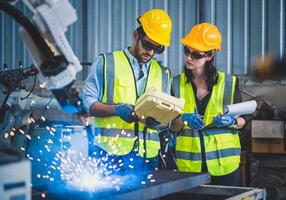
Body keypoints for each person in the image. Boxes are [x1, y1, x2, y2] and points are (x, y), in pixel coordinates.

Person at [82, 9, 172, 174]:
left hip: (148, 157)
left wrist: (160, 123)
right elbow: (86, 103)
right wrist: (116, 110)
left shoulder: (163, 74)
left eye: (157, 49)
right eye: (147, 45)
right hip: (110, 154)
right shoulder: (107, 63)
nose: (150, 53)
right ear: (135, 35)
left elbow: (166, 120)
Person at [171, 23, 246, 186]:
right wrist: (183, 119)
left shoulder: (228, 83)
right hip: (190, 166)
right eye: (186, 51)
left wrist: (232, 122)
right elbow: (171, 126)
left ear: (210, 56)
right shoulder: (175, 84)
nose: (188, 58)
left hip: (224, 166)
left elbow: (242, 121)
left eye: (196, 55)